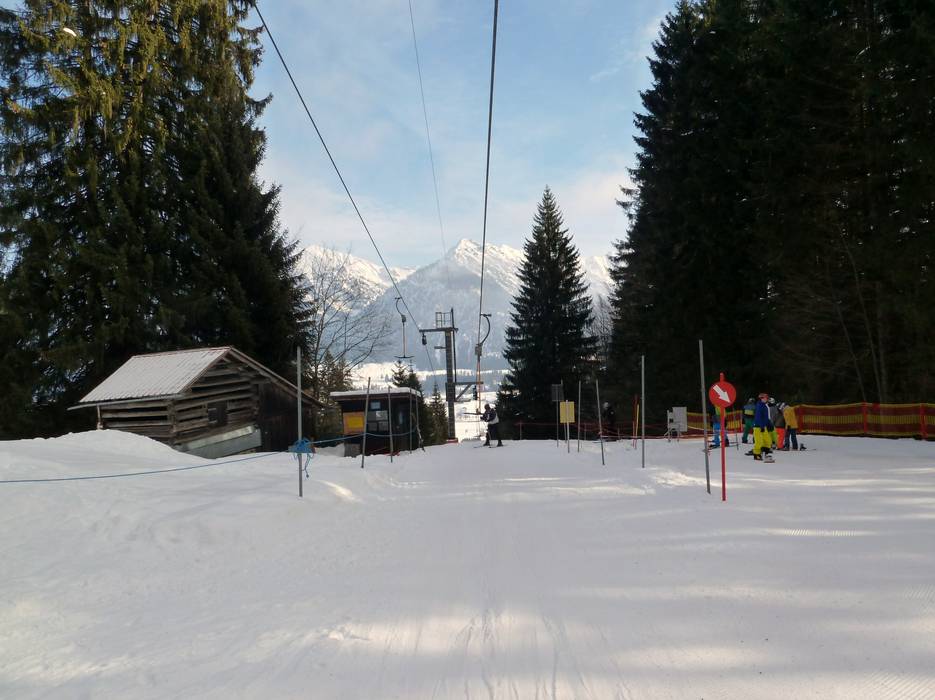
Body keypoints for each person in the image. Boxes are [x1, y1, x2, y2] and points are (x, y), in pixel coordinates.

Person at [748, 393, 773, 461]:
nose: (766, 399)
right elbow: (758, 417)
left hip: (763, 426)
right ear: (761, 398)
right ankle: (756, 454)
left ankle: (764, 453)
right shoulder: (759, 406)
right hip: (758, 427)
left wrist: (769, 424)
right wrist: (761, 426)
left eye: (767, 398)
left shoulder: (764, 406)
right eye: (765, 398)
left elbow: (766, 417)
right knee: (759, 442)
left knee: (768, 441)